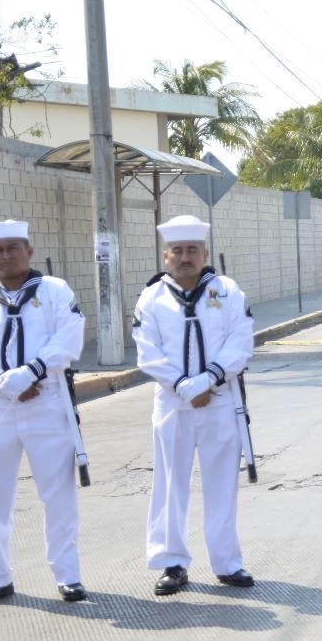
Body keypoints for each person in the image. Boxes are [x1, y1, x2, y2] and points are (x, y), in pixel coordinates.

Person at [0, 219, 87, 607]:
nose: (6, 255)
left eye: (14, 248)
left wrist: (31, 372)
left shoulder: (55, 291)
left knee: (58, 494)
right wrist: (6, 381)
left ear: (28, 251)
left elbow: (69, 338)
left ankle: (68, 576)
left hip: (46, 401)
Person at [133, 214, 255, 595]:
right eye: (177, 251)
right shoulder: (151, 297)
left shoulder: (228, 291)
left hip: (219, 400)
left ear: (204, 253)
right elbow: (147, 352)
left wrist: (209, 379)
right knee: (170, 485)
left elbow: (241, 342)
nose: (185, 257)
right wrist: (185, 385)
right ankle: (172, 563)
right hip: (172, 403)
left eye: (192, 251)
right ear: (165, 255)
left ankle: (227, 563)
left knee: (221, 485)